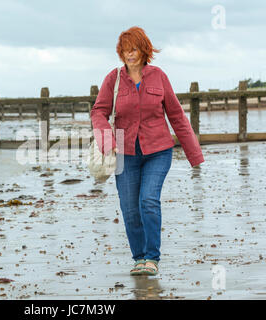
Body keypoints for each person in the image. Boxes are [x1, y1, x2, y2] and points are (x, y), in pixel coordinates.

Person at [90, 26, 205, 276]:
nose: (130, 55)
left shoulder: (159, 76)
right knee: (130, 208)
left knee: (148, 201)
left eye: (134, 49)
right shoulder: (114, 79)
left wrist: (194, 155)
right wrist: (107, 141)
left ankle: (152, 258)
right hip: (124, 153)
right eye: (125, 50)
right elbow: (98, 112)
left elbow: (176, 115)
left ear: (144, 50)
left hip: (158, 151)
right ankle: (139, 258)